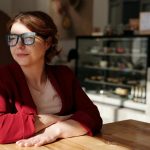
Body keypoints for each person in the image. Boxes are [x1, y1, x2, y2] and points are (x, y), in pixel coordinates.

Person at [0, 11, 102, 147]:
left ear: (47, 43)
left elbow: (93, 116)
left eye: (28, 38)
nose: (19, 45)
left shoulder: (64, 75)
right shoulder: (3, 77)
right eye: (13, 38)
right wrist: (50, 119)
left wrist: (56, 130)